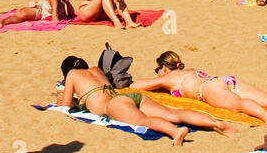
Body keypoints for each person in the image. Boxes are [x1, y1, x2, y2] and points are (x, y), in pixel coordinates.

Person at [58, 57, 237, 145]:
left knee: (143, 121)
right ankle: (215, 123)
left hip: (113, 105)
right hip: (128, 96)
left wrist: (69, 100)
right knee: (173, 113)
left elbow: (65, 105)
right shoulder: (96, 70)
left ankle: (175, 132)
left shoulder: (72, 75)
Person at [128, 51, 267, 125]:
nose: (158, 72)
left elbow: (137, 86)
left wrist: (159, 80)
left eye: (158, 69)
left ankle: (265, 115)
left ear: (164, 67)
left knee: (236, 105)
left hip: (207, 90)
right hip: (223, 80)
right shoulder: (188, 71)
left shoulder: (168, 77)